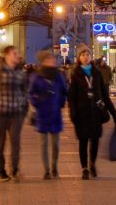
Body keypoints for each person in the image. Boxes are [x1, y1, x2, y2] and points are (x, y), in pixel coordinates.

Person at [68, 44, 116, 180]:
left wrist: (113, 113)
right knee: (83, 141)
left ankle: (92, 164)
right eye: (83, 55)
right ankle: (84, 168)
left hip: (96, 112)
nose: (85, 57)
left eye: (87, 55)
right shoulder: (76, 74)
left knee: (95, 141)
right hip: (81, 113)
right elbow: (71, 97)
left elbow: (104, 94)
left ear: (91, 57)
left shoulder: (97, 73)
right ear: (79, 58)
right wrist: (72, 113)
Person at [0, 45, 27, 182]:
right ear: (7, 55)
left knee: (16, 142)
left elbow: (25, 92)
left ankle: (14, 169)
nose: (17, 56)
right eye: (14, 53)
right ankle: (1, 170)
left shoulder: (21, 72)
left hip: (16, 114)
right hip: (0, 113)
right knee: (0, 143)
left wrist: (24, 109)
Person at [28, 49, 67, 179]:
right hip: (42, 114)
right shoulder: (36, 76)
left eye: (53, 59)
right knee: (43, 144)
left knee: (55, 144)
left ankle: (55, 166)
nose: (52, 61)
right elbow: (30, 93)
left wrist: (61, 103)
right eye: (49, 59)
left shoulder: (59, 76)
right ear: (43, 62)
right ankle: (47, 170)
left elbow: (64, 91)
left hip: (55, 114)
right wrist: (37, 103)